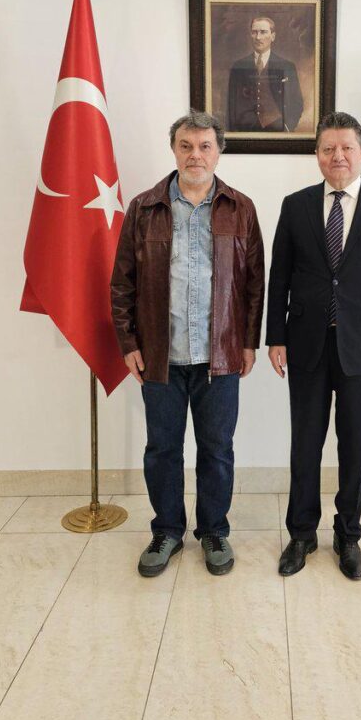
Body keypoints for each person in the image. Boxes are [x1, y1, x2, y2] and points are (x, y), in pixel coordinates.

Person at [111, 110, 264, 578]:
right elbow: (122, 283)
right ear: (173, 149)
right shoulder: (143, 207)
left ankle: (214, 531)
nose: (195, 154)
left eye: (204, 146)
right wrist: (128, 342)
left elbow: (256, 283)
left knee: (217, 449)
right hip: (161, 355)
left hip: (220, 355)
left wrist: (249, 342)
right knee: (162, 448)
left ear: (219, 151)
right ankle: (167, 531)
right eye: (186, 145)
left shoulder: (241, 207)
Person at [266, 111, 361, 581]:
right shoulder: (295, 205)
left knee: (355, 446)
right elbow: (279, 277)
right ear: (317, 155)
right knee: (305, 445)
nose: (338, 156)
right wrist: (275, 337)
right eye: (328, 148)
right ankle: (302, 534)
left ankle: (348, 535)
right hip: (306, 344)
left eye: (347, 147)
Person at [227, 15, 303, 132]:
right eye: (254, 32)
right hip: (245, 132)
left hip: (276, 130)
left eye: (263, 32)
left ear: (273, 36)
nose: (258, 37)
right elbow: (231, 106)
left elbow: (296, 102)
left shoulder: (287, 66)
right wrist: (236, 134)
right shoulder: (238, 67)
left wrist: (287, 127)